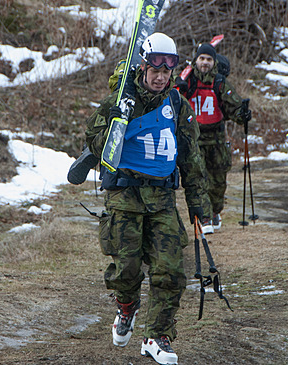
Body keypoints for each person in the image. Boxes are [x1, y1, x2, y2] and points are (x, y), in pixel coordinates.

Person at [84, 32, 208, 365]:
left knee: (170, 271)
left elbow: (191, 157)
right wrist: (118, 122)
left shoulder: (177, 104)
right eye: (154, 68)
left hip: (163, 200)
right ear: (143, 65)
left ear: (173, 71)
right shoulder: (120, 98)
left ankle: (158, 336)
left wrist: (199, 205)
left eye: (166, 70)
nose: (159, 76)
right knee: (126, 271)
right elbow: (93, 139)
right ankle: (126, 306)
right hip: (125, 197)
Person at [175, 43, 252, 234]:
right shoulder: (187, 80)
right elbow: (171, 99)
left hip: (216, 138)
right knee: (198, 177)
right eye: (201, 58)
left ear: (214, 62)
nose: (205, 63)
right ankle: (205, 217)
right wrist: (178, 87)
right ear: (196, 60)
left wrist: (243, 114)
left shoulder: (220, 82)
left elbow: (233, 107)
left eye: (209, 59)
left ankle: (215, 210)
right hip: (194, 138)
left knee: (218, 182)